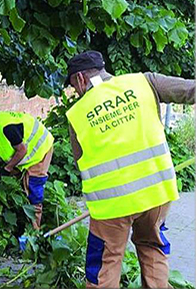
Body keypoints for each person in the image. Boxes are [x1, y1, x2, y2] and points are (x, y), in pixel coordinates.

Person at [64, 51, 195, 288]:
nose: (76, 92)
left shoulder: (77, 114)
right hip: (156, 197)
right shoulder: (144, 82)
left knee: (105, 264)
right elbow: (189, 90)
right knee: (153, 248)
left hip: (110, 207)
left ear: (81, 79)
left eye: (74, 86)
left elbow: (79, 161)